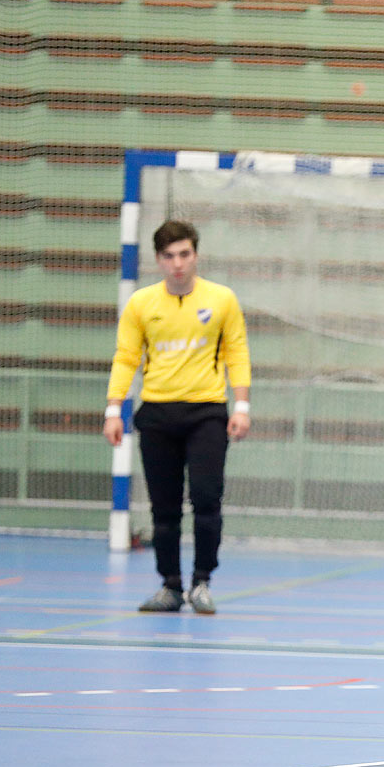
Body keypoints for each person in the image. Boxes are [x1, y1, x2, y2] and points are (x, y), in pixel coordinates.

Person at [104, 220, 252, 614]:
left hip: (206, 412)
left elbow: (236, 352)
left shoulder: (221, 300)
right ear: (158, 260)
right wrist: (113, 410)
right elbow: (126, 358)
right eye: (169, 256)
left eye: (184, 254)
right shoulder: (141, 304)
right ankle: (170, 585)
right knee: (163, 507)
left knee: (206, 498)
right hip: (156, 413)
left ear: (196, 255)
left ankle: (202, 581)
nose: (178, 264)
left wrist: (241, 406)